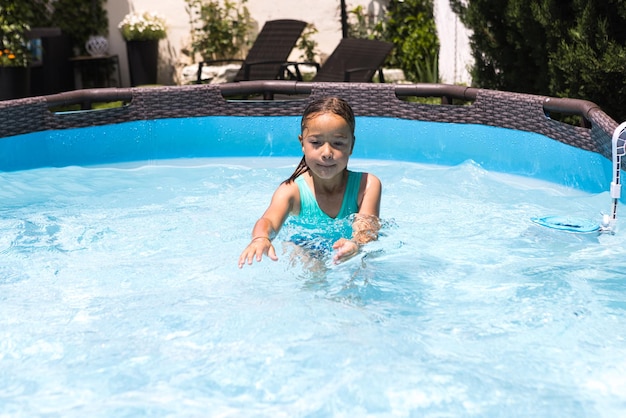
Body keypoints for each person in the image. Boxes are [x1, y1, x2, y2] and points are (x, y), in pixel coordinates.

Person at [238, 96, 382, 268]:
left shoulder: (367, 185)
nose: (327, 152)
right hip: (304, 245)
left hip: (348, 247)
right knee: (310, 262)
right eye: (315, 142)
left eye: (338, 143)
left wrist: (356, 244)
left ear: (351, 145)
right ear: (302, 144)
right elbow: (268, 221)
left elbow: (367, 229)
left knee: (362, 266)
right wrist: (261, 238)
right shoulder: (291, 191)